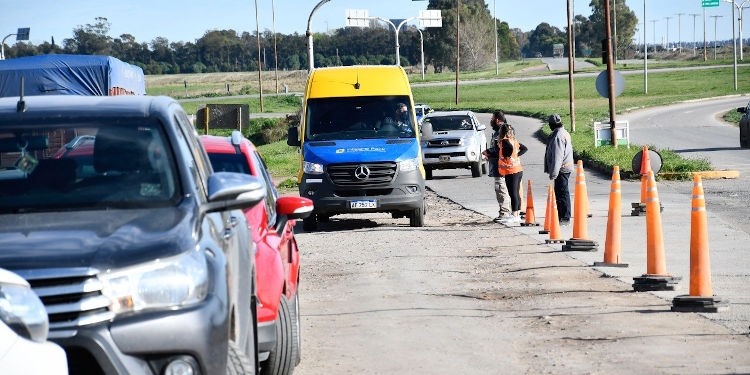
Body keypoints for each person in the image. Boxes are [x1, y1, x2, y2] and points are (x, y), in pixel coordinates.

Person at [544, 113, 574, 224]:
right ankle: (562, 216)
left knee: (562, 193)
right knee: (561, 193)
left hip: (562, 169)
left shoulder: (558, 137)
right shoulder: (564, 133)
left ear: (552, 124)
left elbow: (558, 156)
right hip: (565, 167)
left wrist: (554, 173)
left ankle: (565, 217)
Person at [482, 111, 512, 223]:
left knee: (501, 189)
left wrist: (488, 152)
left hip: (501, 167)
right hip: (498, 166)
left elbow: (501, 149)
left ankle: (504, 212)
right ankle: (506, 211)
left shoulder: (501, 132)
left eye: (492, 118)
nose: (491, 120)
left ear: (497, 120)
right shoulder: (499, 131)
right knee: (501, 189)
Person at [497, 123, 527, 225]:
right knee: (516, 193)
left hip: (511, 171)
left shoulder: (505, 141)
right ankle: (517, 214)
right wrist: (516, 155)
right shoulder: (514, 141)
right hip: (518, 169)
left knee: (512, 193)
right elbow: (524, 148)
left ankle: (514, 215)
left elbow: (508, 149)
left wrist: (507, 156)